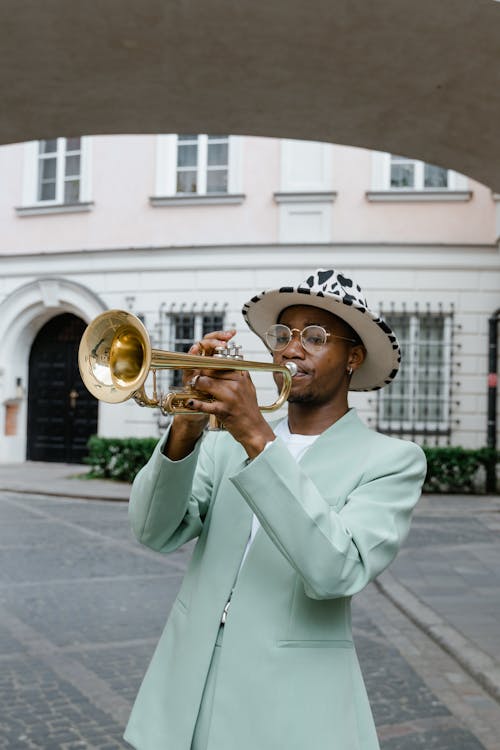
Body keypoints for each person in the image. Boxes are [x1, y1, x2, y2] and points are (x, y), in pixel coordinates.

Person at [124, 268, 427, 750]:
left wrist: (257, 439)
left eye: (314, 337)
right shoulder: (224, 445)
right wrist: (184, 428)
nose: (291, 349)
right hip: (186, 693)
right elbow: (152, 531)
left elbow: (337, 571)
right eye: (283, 335)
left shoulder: (390, 461)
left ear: (354, 356)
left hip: (292, 707)